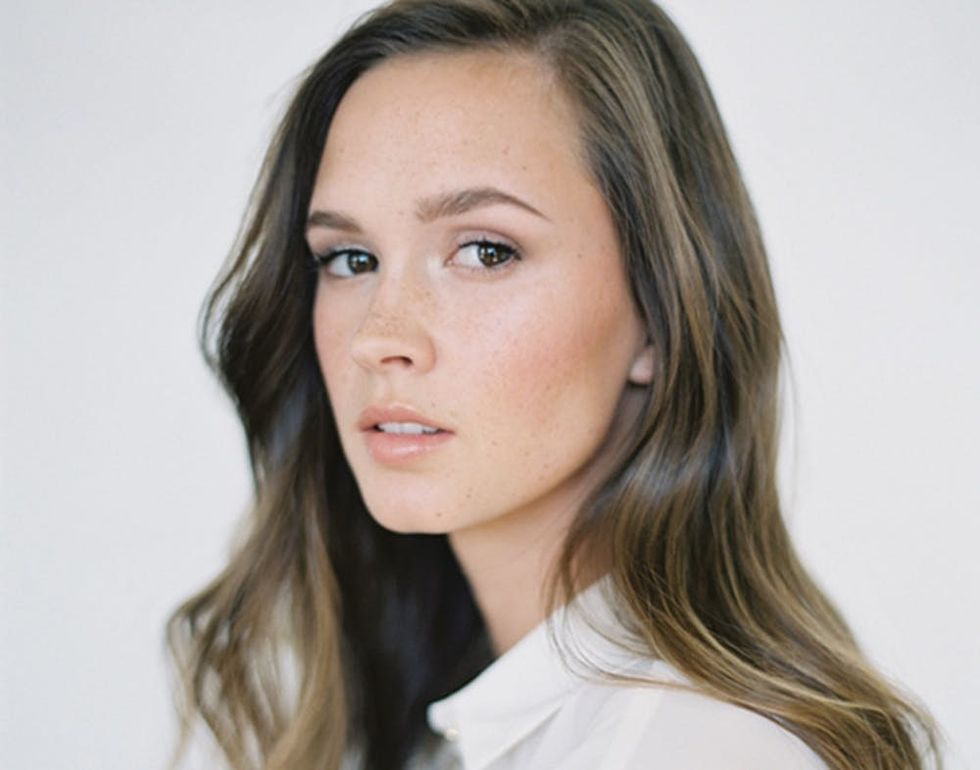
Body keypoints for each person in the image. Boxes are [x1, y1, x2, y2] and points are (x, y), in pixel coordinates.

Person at [167, 1, 942, 768]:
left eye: (486, 251)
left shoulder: (698, 752)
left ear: (658, 313)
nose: (378, 337)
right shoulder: (437, 724)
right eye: (350, 259)